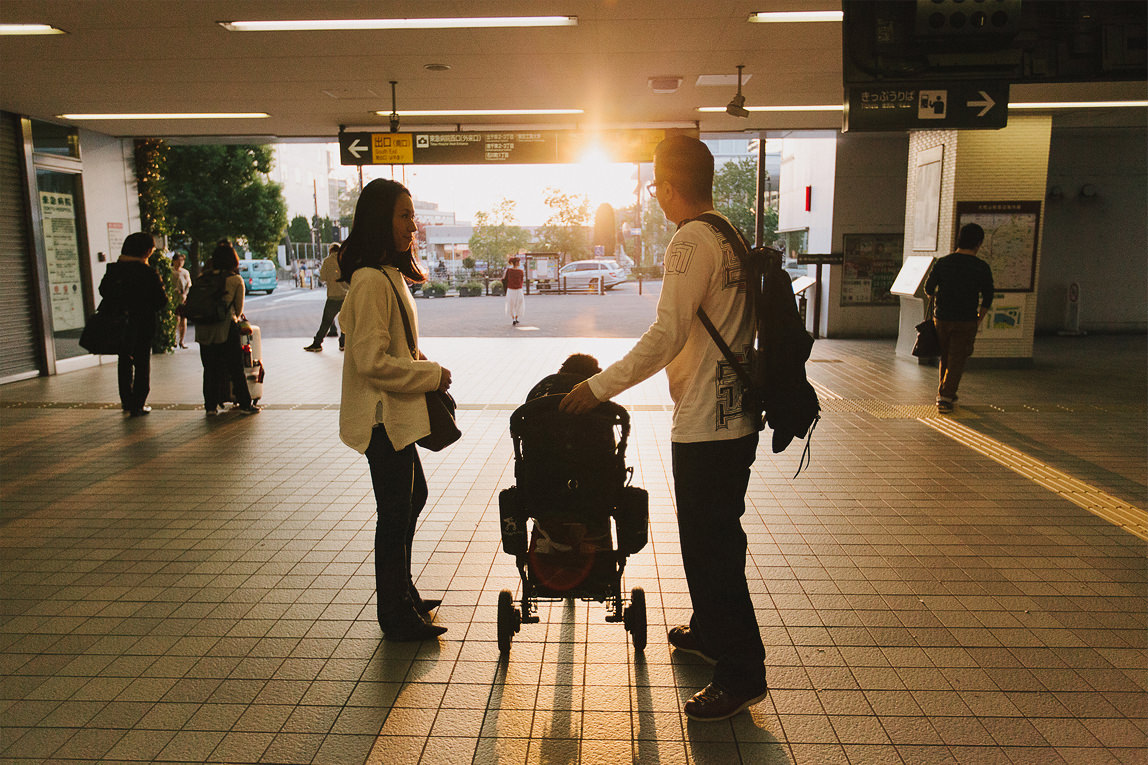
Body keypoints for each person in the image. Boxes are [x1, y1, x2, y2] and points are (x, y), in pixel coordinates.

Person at [560, 135, 767, 722]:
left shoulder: (688, 240)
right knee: (717, 537)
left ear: (669, 187)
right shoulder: (727, 232)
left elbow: (667, 334)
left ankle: (741, 673)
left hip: (706, 423)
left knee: (711, 551)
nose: (656, 197)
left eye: (655, 186)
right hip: (737, 418)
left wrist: (596, 387)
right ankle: (709, 633)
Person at [339, 178, 452, 642]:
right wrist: (431, 375)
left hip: (397, 420)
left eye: (412, 215)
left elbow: (391, 345)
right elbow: (371, 362)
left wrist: (417, 358)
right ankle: (394, 612)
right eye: (404, 215)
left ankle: (402, 593)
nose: (413, 225)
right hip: (382, 420)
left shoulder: (388, 274)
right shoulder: (370, 280)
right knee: (395, 513)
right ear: (380, 221)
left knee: (411, 500)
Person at [924, 223, 994, 414]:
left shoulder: (944, 263)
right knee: (957, 358)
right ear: (978, 243)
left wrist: (939, 297)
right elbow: (988, 296)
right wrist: (980, 317)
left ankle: (946, 392)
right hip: (966, 319)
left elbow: (929, 288)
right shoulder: (981, 267)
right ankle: (946, 397)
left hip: (942, 318)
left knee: (945, 356)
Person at [98, 232, 167, 417]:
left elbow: (103, 290)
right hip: (142, 324)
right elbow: (161, 301)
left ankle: (127, 402)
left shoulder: (115, 269)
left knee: (124, 361)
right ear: (146, 250)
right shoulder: (148, 272)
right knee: (142, 364)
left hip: (118, 322)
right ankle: (138, 403)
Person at [195, 241, 261, 416]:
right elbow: (238, 310)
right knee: (235, 368)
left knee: (209, 368)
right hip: (225, 329)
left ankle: (210, 406)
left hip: (203, 331)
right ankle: (245, 404)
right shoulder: (234, 279)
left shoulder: (203, 277)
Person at [304, 243, 348, 352]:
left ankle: (317, 343)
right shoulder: (345, 260)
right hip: (346, 297)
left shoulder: (327, 261)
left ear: (331, 251)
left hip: (333, 296)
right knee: (345, 321)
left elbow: (323, 277)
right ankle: (343, 343)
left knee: (326, 322)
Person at [172, 252, 192, 348]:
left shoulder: (185, 272)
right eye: (178, 260)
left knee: (183, 320)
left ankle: (182, 341)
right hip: (174, 298)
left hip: (183, 298)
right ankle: (174, 340)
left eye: (182, 260)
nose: (180, 263)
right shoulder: (171, 271)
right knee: (175, 319)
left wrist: (185, 293)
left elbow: (189, 284)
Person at [502, 256, 526, 326]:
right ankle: (515, 318)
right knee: (519, 304)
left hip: (510, 289)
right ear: (516, 263)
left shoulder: (508, 271)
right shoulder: (521, 271)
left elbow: (504, 280)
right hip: (518, 289)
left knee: (511, 304)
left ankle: (514, 319)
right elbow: (521, 281)